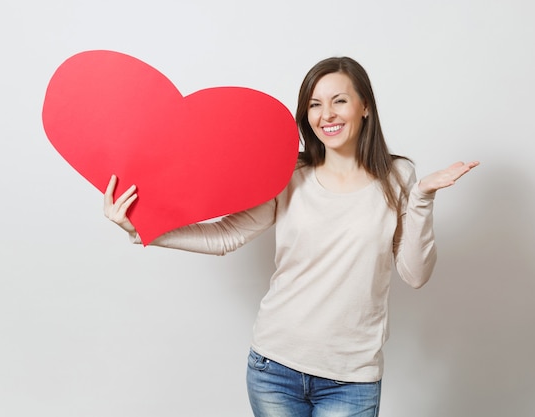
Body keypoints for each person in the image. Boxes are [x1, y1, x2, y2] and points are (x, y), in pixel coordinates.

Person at [103, 56, 479, 417]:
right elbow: (225, 236)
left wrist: (422, 200)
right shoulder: (289, 175)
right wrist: (144, 228)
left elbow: (414, 274)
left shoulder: (398, 177)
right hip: (274, 368)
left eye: (339, 101)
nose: (326, 114)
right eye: (315, 104)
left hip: (351, 378)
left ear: (365, 106)